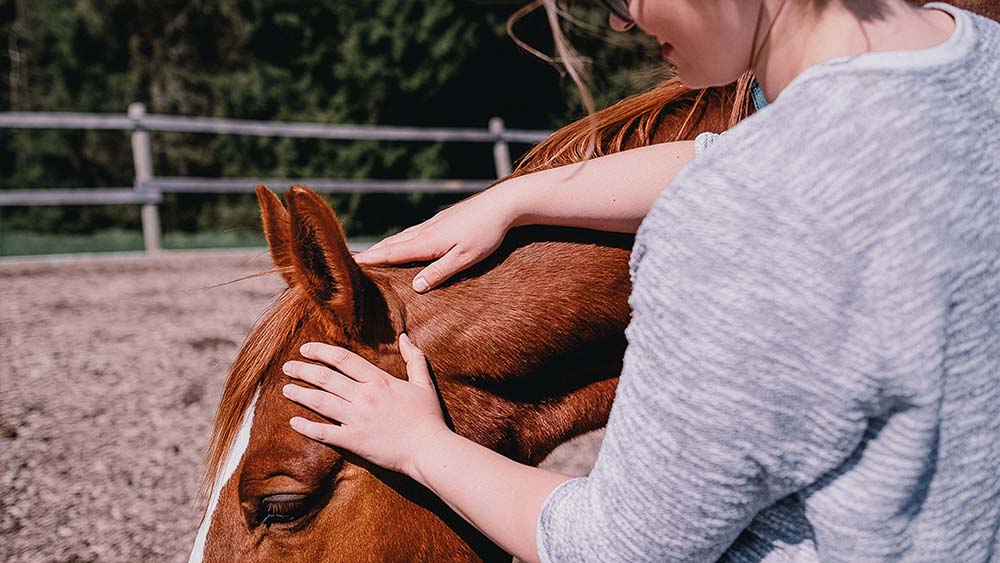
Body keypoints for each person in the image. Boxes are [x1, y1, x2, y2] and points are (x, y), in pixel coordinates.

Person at [279, 1, 1000, 561]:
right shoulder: (977, 59)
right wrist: (517, 196)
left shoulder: (729, 218)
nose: (623, 21)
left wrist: (418, 445)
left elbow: (624, 547)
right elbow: (765, 154)